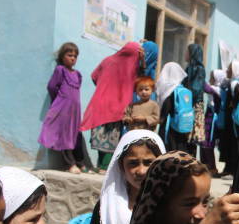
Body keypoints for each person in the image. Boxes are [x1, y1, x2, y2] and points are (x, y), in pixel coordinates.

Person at [81, 42, 144, 172]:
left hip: (100, 103)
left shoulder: (107, 60)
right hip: (117, 108)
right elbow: (139, 83)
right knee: (111, 139)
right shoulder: (132, 68)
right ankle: (104, 168)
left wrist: (104, 87)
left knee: (100, 137)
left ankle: (101, 166)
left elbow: (94, 77)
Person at [38, 42, 86, 174]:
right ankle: (70, 164)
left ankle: (80, 162)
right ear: (62, 56)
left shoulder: (78, 74)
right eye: (69, 55)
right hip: (63, 109)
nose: (73, 58)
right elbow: (52, 87)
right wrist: (59, 101)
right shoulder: (60, 70)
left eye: (75, 56)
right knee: (65, 135)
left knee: (76, 135)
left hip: (75, 111)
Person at [218, 61, 239, 179]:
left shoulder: (235, 83)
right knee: (229, 144)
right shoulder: (233, 82)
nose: (227, 71)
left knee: (234, 144)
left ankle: (234, 172)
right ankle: (228, 169)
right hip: (231, 120)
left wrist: (233, 104)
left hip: (233, 121)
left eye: (229, 69)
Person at [156, 62, 189, 152]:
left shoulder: (168, 89)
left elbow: (166, 108)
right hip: (181, 125)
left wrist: (160, 119)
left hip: (169, 126)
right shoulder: (183, 88)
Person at [199, 70, 225, 175]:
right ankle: (207, 166)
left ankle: (212, 167)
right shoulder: (215, 89)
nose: (210, 79)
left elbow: (205, 87)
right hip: (208, 117)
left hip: (212, 120)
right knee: (204, 144)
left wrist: (198, 73)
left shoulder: (218, 90)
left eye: (212, 77)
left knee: (208, 143)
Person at [183, 43, 206, 156]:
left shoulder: (199, 69)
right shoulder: (188, 68)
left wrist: (186, 100)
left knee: (193, 137)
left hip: (194, 105)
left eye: (187, 52)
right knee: (187, 135)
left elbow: (196, 89)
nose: (185, 54)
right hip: (188, 104)